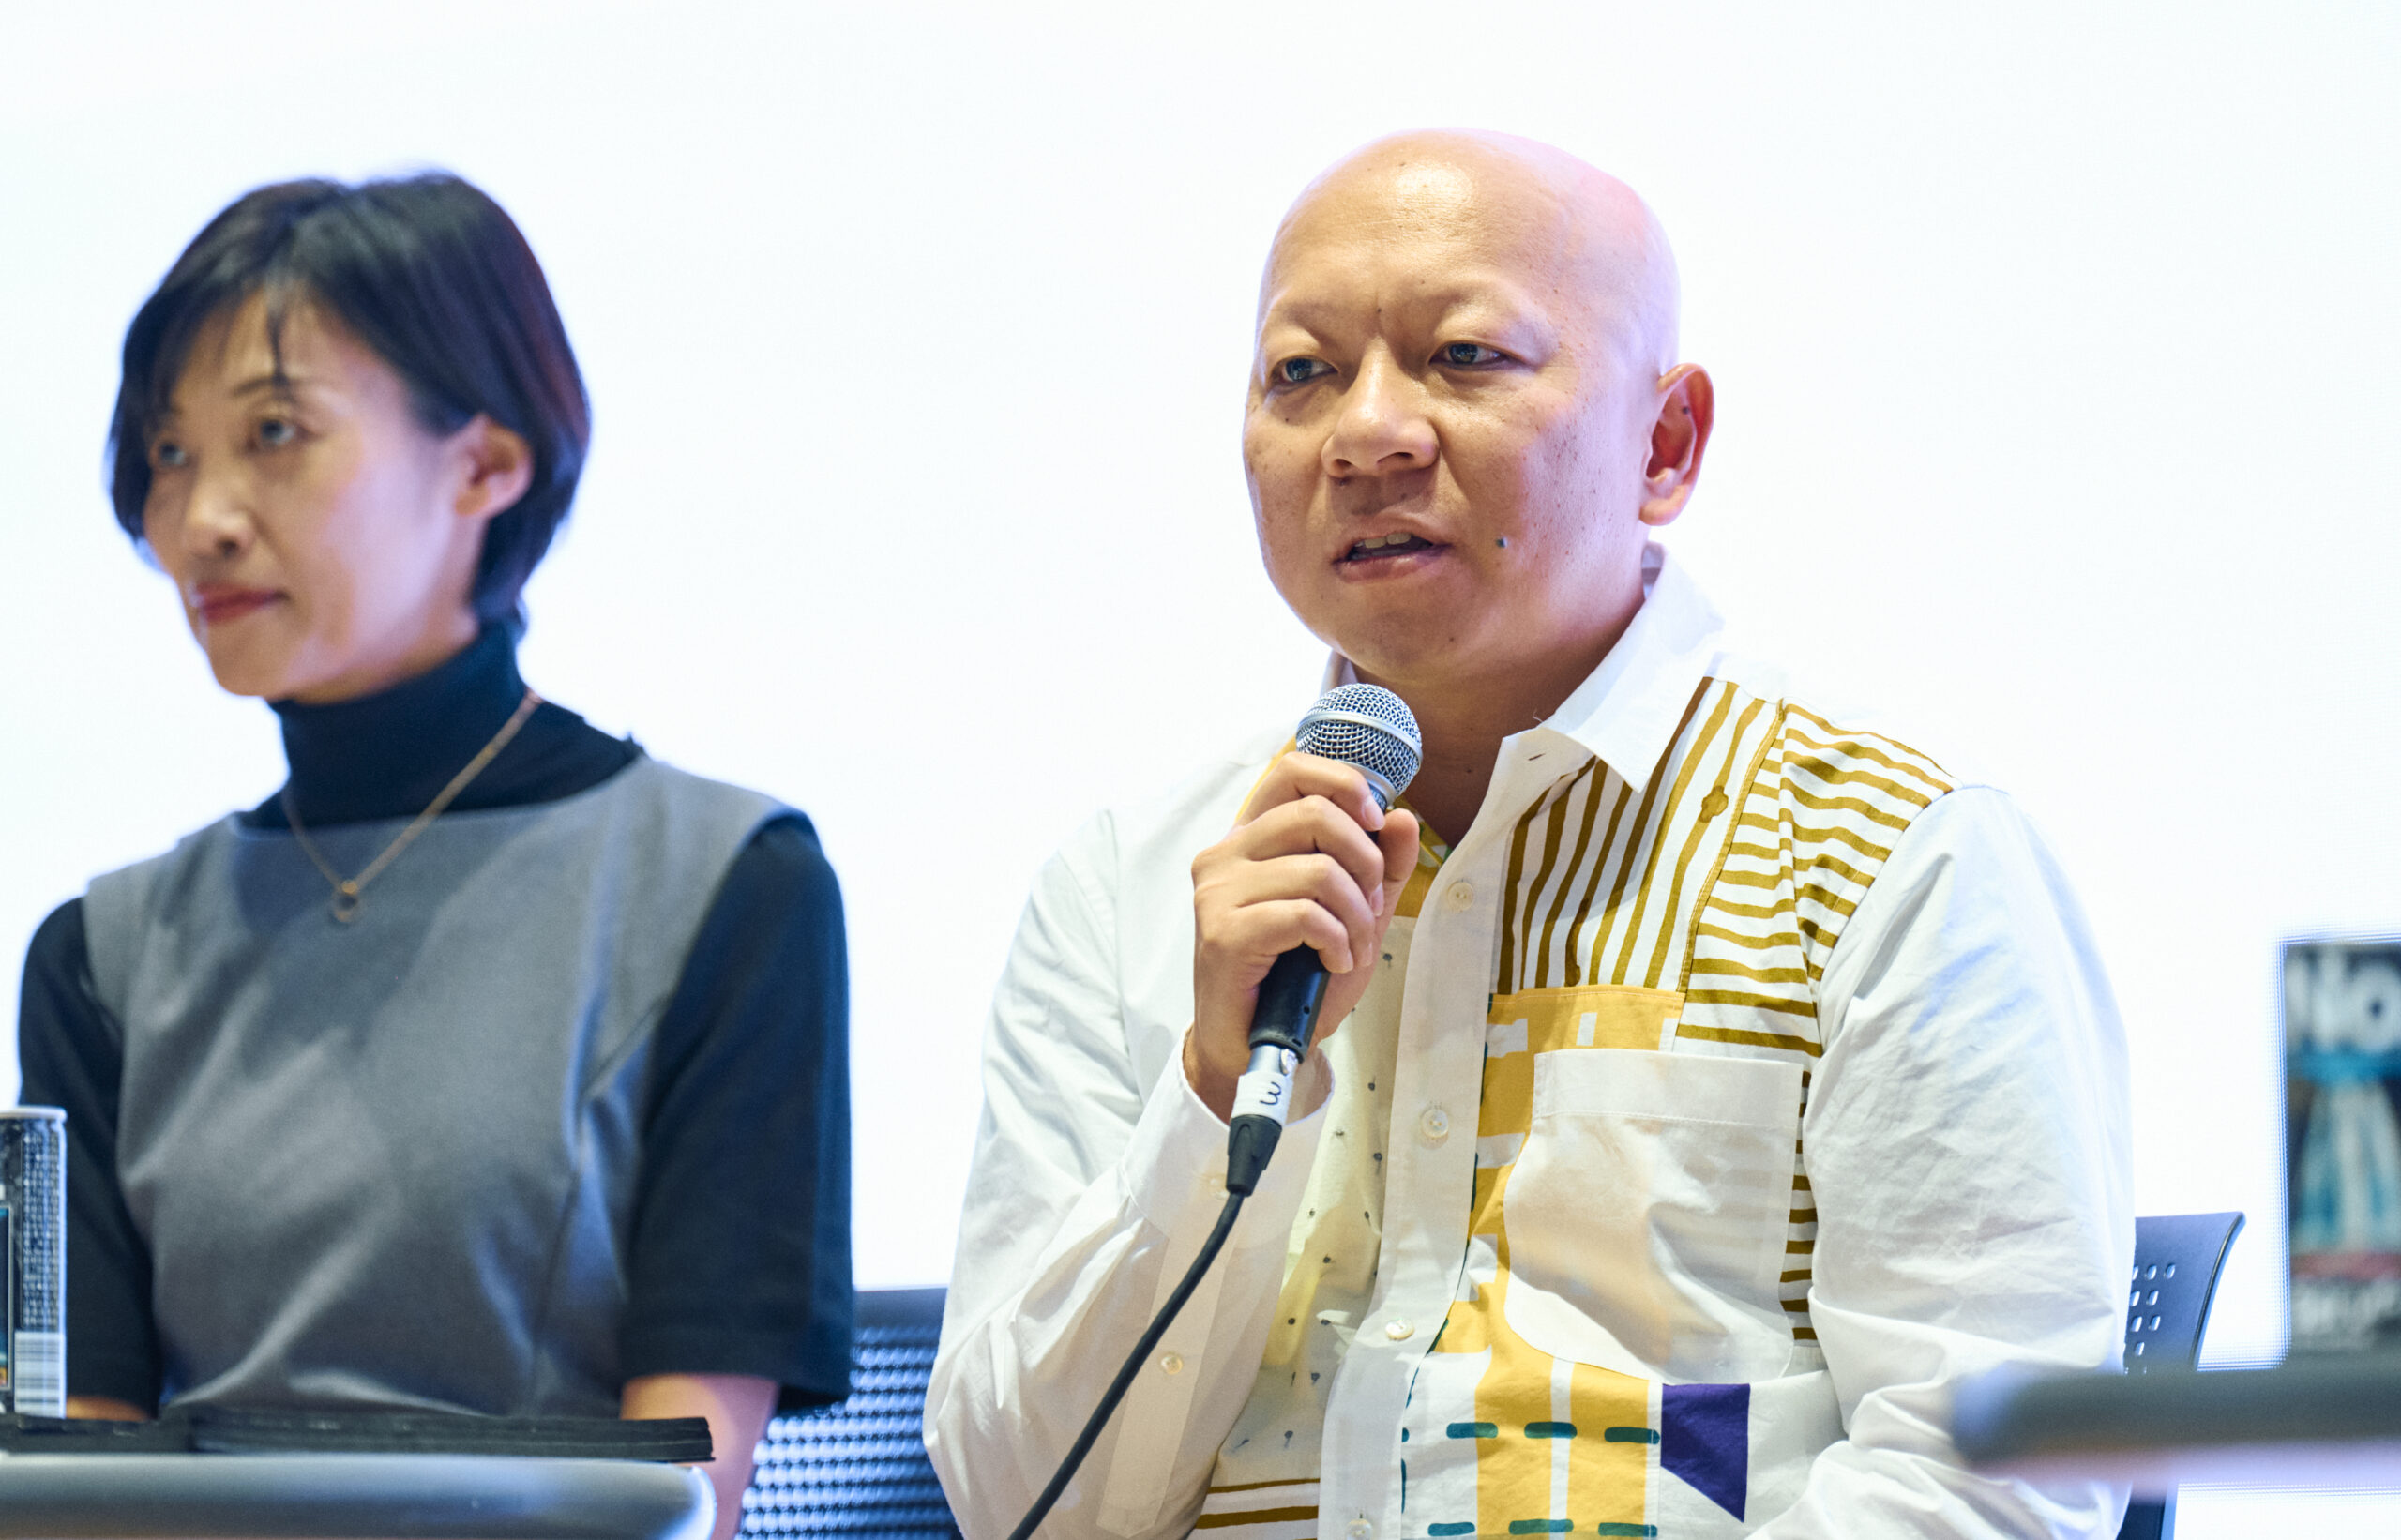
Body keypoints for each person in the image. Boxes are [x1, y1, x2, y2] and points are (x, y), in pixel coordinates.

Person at [928, 131, 2131, 1539]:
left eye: (1466, 356)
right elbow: (1026, 1509)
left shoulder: (1892, 854)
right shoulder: (1130, 886)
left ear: (1664, 445)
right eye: (1302, 373)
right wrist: (1214, 1087)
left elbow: (1989, 1482)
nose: (1368, 433)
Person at [15, 174, 851, 1536]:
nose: (202, 516)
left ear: (485, 464)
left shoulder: (728, 884)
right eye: (167, 453)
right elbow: (69, 1500)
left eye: (273, 433)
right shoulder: (98, 957)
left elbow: (679, 1499)